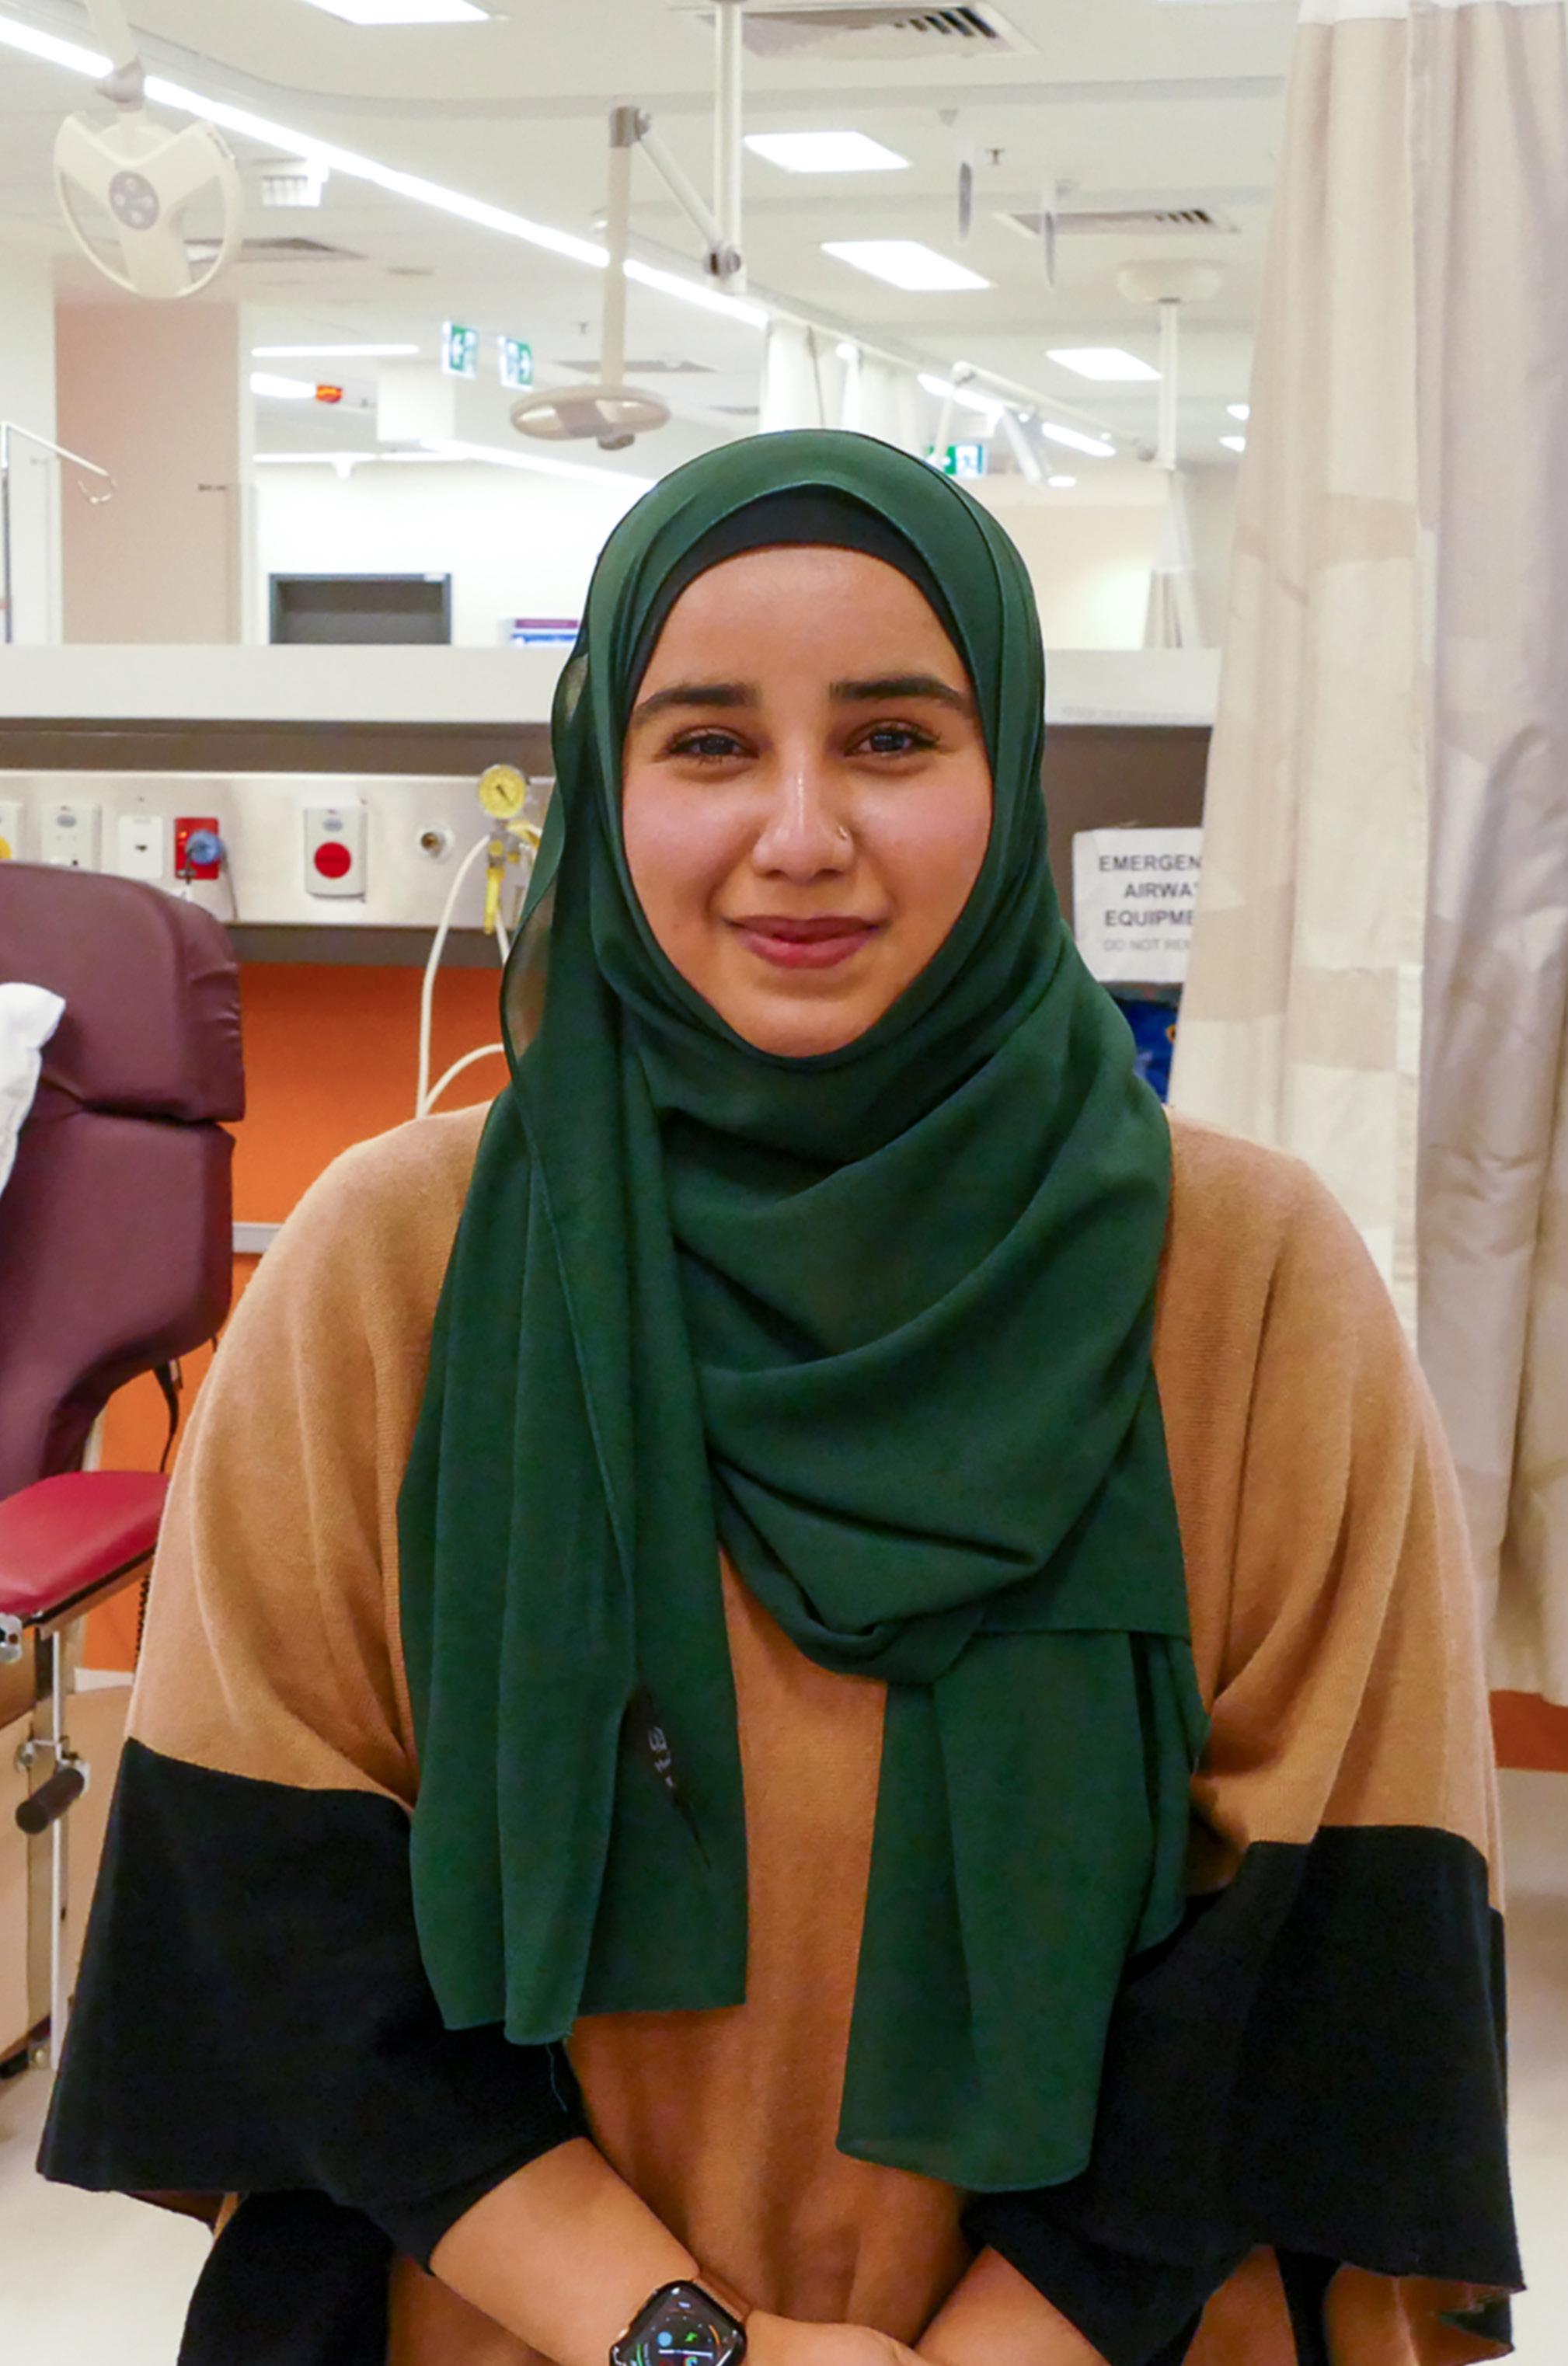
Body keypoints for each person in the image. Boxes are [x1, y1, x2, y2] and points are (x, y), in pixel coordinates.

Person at [42, 431, 1519, 2366]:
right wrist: (679, 2342)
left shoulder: (1244, 1280)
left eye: (893, 737)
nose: (802, 831)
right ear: (606, 784)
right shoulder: (394, 1267)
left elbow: (1320, 1941)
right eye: (709, 742)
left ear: (1008, 769)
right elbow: (278, 1913)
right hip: (505, 2320)